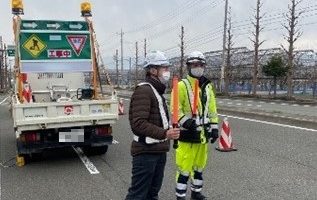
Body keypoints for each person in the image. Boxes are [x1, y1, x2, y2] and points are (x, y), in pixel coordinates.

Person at [125, 50, 180, 200]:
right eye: (165, 68)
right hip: (145, 153)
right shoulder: (144, 91)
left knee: (152, 194)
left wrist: (170, 130)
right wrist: (165, 133)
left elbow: (158, 119)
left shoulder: (156, 91)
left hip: (158, 151)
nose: (167, 72)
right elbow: (138, 123)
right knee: (138, 195)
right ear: (153, 70)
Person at [170, 51, 219, 200]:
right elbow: (174, 110)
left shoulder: (208, 86)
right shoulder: (181, 86)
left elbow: (212, 109)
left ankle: (196, 193)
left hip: (203, 135)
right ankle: (180, 196)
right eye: (194, 65)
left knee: (199, 167)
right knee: (184, 169)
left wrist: (215, 127)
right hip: (187, 134)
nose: (198, 67)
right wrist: (187, 122)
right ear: (189, 67)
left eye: (200, 65)